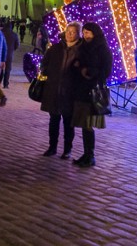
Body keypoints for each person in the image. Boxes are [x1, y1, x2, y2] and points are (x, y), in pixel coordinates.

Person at [72, 22, 112, 168]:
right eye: (84, 32)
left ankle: (91, 155)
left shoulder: (102, 49)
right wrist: (78, 66)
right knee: (84, 124)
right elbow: (78, 62)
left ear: (95, 33)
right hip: (82, 89)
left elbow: (106, 71)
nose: (86, 35)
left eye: (88, 32)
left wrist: (90, 72)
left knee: (88, 125)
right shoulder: (83, 47)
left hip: (93, 90)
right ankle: (86, 153)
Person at [40, 22, 82, 159]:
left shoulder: (81, 50)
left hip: (70, 92)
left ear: (78, 34)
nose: (69, 34)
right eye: (68, 31)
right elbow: (44, 63)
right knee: (54, 121)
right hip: (54, 89)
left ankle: (67, 150)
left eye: (73, 32)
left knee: (68, 123)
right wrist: (47, 72)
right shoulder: (56, 48)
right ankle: (52, 147)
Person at [0, 21, 20, 89]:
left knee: (0, 68)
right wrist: (12, 49)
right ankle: (5, 84)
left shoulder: (1, 33)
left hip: (1, 53)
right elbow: (17, 45)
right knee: (8, 69)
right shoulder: (14, 34)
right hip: (9, 54)